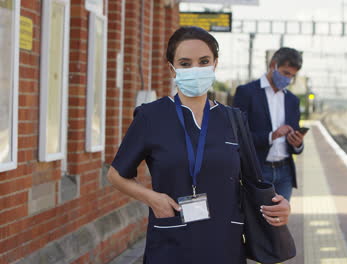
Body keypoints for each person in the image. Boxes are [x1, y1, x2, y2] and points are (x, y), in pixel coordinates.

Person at [107, 26, 291, 264]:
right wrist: (152, 198)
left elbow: (255, 182)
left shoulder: (233, 120)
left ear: (215, 64)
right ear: (172, 69)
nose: (195, 69)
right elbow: (116, 175)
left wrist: (279, 207)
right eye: (185, 63)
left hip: (225, 243)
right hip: (171, 243)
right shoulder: (151, 117)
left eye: (204, 61)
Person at [233, 47, 305, 201]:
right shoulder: (246, 93)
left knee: (279, 223)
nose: (288, 80)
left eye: (292, 76)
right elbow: (237, 136)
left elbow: (295, 144)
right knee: (257, 222)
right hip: (258, 170)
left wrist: (298, 143)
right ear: (273, 65)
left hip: (285, 173)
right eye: (286, 73)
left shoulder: (293, 100)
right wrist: (272, 136)